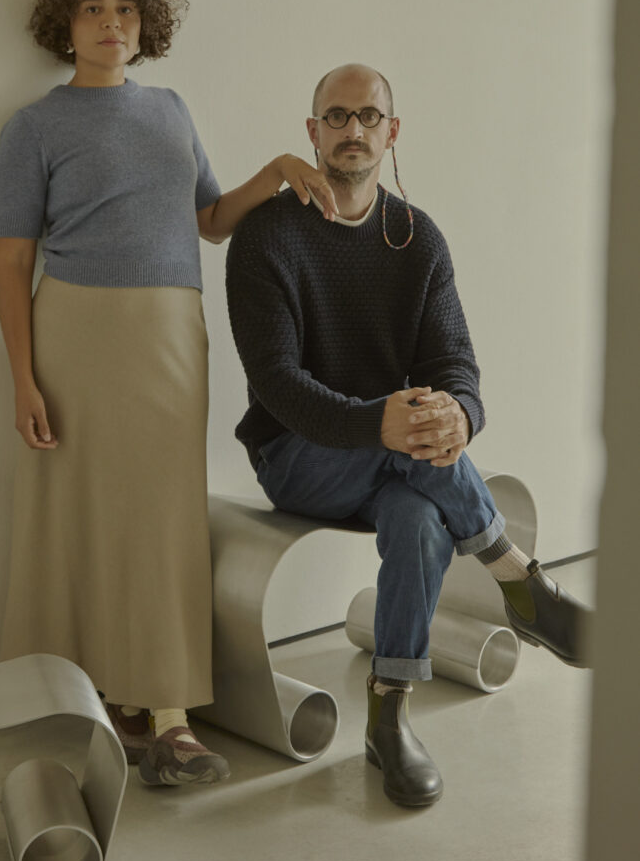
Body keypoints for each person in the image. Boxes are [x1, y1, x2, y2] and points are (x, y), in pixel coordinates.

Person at [0, 0, 337, 787]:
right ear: (63, 26)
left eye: (125, 11)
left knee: (164, 518)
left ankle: (172, 716)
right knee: (74, 515)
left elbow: (212, 221)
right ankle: (89, 700)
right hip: (74, 332)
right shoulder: (33, 126)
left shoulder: (173, 111)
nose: (111, 25)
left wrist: (280, 172)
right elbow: (10, 263)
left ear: (145, 26)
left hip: (172, 332)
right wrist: (24, 380)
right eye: (92, 11)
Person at [225, 62, 591, 808]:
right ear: (312, 130)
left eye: (367, 116)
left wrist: (459, 413)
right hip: (296, 453)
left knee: (419, 515)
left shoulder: (418, 238)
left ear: (392, 132)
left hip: (403, 461)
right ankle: (521, 580)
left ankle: (388, 718)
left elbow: (455, 364)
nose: (351, 129)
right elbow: (276, 383)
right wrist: (376, 421)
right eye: (336, 116)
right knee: (407, 446)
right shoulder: (267, 234)